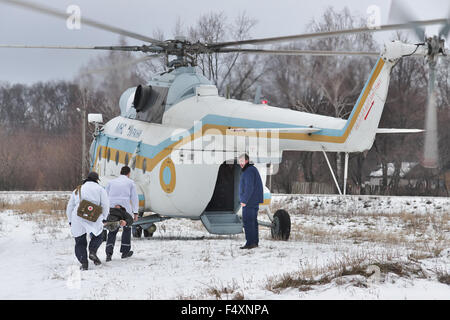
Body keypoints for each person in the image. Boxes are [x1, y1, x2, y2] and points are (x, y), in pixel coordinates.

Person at [66, 172, 110, 270]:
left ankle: (84, 262)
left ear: (87, 179)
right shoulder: (100, 189)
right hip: (94, 215)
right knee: (98, 236)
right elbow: (105, 205)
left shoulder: (78, 189)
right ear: (97, 180)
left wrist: (70, 220)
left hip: (78, 215)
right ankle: (92, 251)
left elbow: (70, 207)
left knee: (80, 241)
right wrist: (104, 218)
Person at [105, 166, 139, 261]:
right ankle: (125, 252)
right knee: (127, 229)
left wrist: (106, 211)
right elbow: (134, 198)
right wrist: (135, 212)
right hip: (125, 210)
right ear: (128, 173)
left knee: (112, 230)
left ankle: (108, 253)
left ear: (120, 172)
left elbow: (105, 196)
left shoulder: (111, 182)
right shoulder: (130, 183)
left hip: (112, 208)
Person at [238, 153, 264, 249]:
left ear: (246, 161)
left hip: (249, 201)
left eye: (242, 161)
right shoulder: (251, 169)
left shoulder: (248, 171)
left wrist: (244, 200)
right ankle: (254, 242)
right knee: (253, 221)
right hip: (254, 200)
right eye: (239, 161)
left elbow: (249, 187)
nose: (240, 163)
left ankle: (249, 243)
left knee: (248, 222)